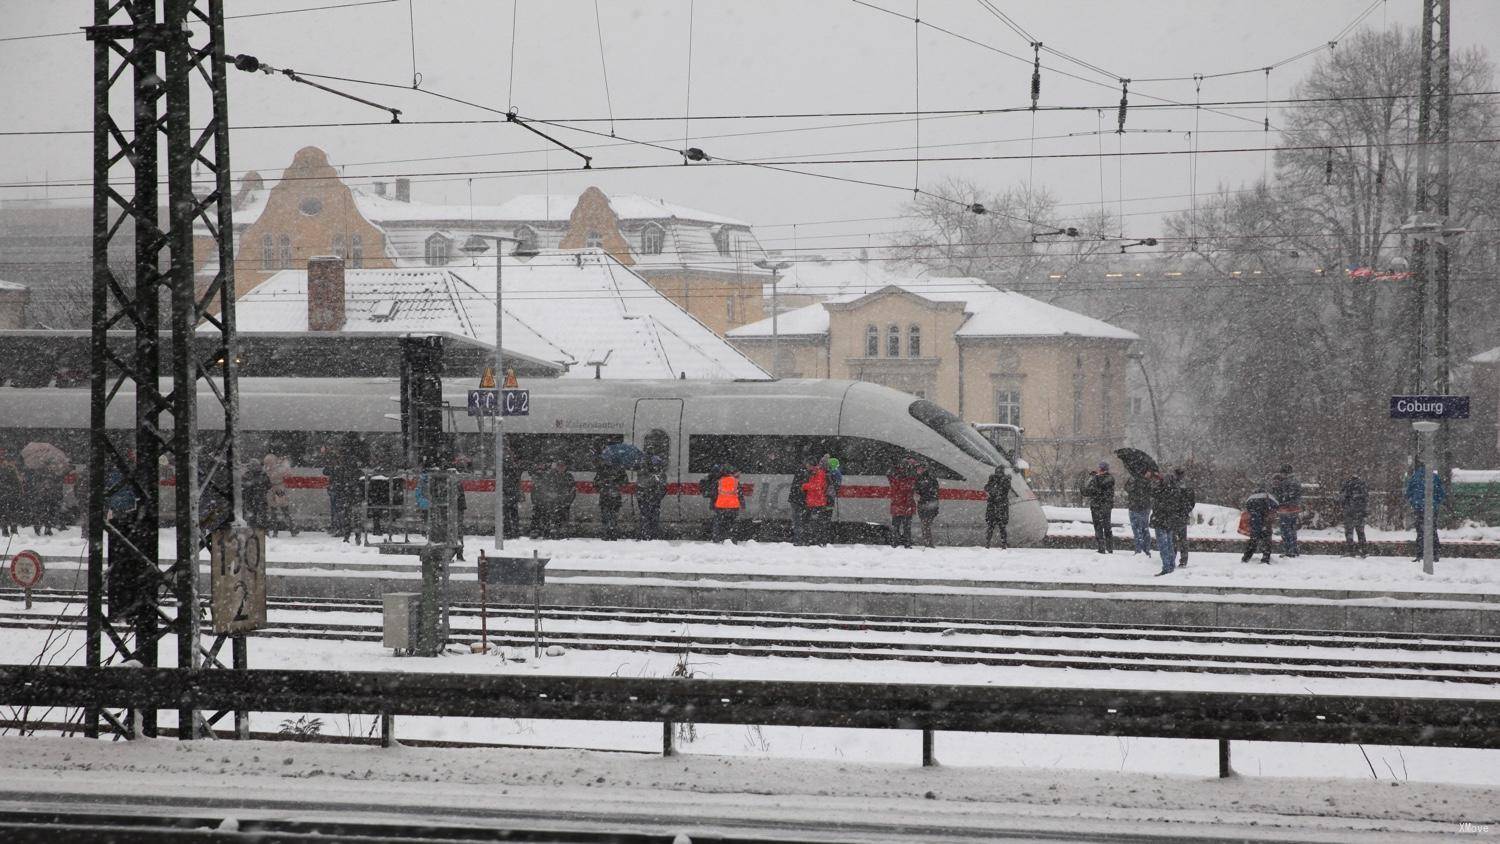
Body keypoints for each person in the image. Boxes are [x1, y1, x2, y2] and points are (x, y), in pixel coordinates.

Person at [1406, 463, 1445, 562]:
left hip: (1419, 508)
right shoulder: (1435, 477)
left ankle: (1420, 554)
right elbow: (1441, 493)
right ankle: (1435, 554)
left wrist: (1414, 503)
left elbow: (1408, 493)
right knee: (1432, 531)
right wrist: (1436, 503)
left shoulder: (1414, 477)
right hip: (1431, 508)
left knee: (1420, 531)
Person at [1149, 469, 1184, 575]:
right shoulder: (1175, 490)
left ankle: (1166, 567)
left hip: (1161, 520)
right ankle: (1171, 565)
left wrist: (1154, 480)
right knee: (1169, 543)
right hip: (1170, 521)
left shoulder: (1161, 491)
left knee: (1163, 545)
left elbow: (1152, 492)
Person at [1082, 462, 1116, 554]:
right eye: (1099, 469)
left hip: (1104, 506)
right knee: (1098, 526)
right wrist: (1091, 479)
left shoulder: (1109, 478)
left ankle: (1109, 548)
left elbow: (1100, 488)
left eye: (1101, 469)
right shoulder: (1096, 478)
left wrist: (1094, 478)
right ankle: (1101, 547)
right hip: (1096, 506)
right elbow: (1086, 492)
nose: (1099, 471)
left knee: (1106, 526)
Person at [1240, 484, 1280, 564]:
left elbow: (1247, 508)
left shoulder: (1251, 497)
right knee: (1266, 541)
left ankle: (1246, 558)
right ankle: (1265, 558)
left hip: (1255, 522)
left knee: (1253, 540)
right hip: (1265, 522)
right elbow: (1276, 505)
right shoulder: (1267, 496)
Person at [1270, 464, 1303, 558]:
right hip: (1294, 508)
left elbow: (1284, 496)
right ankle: (1294, 550)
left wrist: (1276, 489)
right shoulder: (1295, 481)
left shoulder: (1286, 482)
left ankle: (1289, 551)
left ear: (1285, 473)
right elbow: (1296, 495)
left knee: (1285, 531)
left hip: (1286, 509)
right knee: (1292, 529)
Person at [594, 455, 628, 540]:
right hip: (607, 498)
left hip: (613, 498)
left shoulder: (619, 470)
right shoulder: (602, 470)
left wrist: (616, 483)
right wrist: (604, 484)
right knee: (607, 517)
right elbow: (595, 483)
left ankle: (611, 534)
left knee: (613, 518)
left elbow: (625, 482)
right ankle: (607, 534)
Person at [263, 452, 297, 537]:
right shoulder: (278, 468)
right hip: (277, 489)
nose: (268, 464)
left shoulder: (269, 470)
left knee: (277, 511)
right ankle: (291, 529)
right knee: (282, 510)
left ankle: (277, 531)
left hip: (275, 489)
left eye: (269, 462)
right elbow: (288, 472)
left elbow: (288, 473)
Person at [1168, 467, 1196, 568]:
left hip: (1173, 515)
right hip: (1183, 516)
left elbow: (1169, 500)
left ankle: (1172, 558)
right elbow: (1192, 502)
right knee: (1183, 539)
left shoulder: (1172, 485)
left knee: (1173, 539)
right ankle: (1183, 560)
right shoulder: (1187, 486)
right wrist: (1186, 511)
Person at [887, 458, 917, 548]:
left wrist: (895, 468)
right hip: (907, 505)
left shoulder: (894, 478)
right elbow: (910, 488)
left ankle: (895, 542)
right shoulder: (910, 479)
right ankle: (906, 543)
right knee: (906, 526)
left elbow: (889, 475)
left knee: (896, 525)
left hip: (897, 504)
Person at [801, 458, 832, 546]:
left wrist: (804, 486)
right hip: (812, 502)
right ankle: (814, 541)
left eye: (807, 464)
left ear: (811, 465)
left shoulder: (819, 473)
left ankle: (818, 541)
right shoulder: (813, 473)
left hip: (817, 503)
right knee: (812, 522)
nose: (806, 466)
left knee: (816, 523)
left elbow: (817, 486)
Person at [1338, 473, 1369, 558]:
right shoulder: (1363, 485)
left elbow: (1342, 498)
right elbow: (1366, 498)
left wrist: (1343, 505)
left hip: (1350, 512)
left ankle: (1350, 550)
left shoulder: (1347, 485)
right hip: (1361, 512)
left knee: (1349, 532)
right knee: (1361, 532)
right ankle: (1363, 550)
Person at [1123, 470, 1154, 555]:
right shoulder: (1148, 481)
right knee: (1144, 529)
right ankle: (1145, 550)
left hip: (1135, 507)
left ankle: (1139, 550)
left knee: (1137, 530)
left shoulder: (1133, 479)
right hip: (1143, 507)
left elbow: (1127, 488)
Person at [636, 456, 667, 540]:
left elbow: (663, 489)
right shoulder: (657, 475)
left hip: (649, 500)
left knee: (647, 518)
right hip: (650, 500)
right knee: (651, 519)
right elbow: (663, 488)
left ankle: (647, 535)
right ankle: (649, 536)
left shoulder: (645, 474)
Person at [712, 465, 743, 543]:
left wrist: (712, 505)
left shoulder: (719, 482)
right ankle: (733, 540)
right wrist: (742, 504)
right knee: (732, 524)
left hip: (721, 506)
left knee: (719, 524)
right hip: (733, 506)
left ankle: (717, 539)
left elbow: (714, 494)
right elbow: (740, 494)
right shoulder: (736, 482)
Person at [983, 465, 1012, 549]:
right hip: (998, 506)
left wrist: (994, 488)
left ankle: (997, 543)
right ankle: (1001, 543)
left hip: (996, 505)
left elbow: (988, 488)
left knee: (996, 526)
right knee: (998, 526)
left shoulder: (1004, 480)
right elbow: (987, 488)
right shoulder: (995, 479)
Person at [914, 462, 940, 548]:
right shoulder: (930, 478)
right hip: (930, 505)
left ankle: (928, 544)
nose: (917, 470)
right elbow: (935, 493)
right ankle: (928, 543)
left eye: (919, 468)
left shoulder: (923, 479)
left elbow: (926, 493)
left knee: (925, 526)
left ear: (924, 469)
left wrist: (920, 496)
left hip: (926, 505)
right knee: (926, 526)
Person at [789, 456, 814, 545]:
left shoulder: (801, 471)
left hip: (797, 500)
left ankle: (799, 540)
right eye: (810, 465)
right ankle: (800, 540)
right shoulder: (804, 472)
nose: (811, 467)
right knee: (800, 521)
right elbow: (801, 487)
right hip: (799, 500)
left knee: (799, 521)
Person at [241, 459, 271, 530]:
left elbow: (243, 487)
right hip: (258, 498)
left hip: (251, 499)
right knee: (261, 516)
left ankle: (254, 531)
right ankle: (263, 531)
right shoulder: (263, 475)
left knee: (253, 517)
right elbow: (269, 485)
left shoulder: (247, 475)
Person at [0, 448, 23, 537]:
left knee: (4, 513)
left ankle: (6, 530)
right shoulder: (11, 469)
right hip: (10, 494)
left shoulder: (10, 469)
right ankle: (13, 530)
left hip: (6, 494)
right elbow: (16, 483)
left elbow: (16, 482)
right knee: (12, 512)